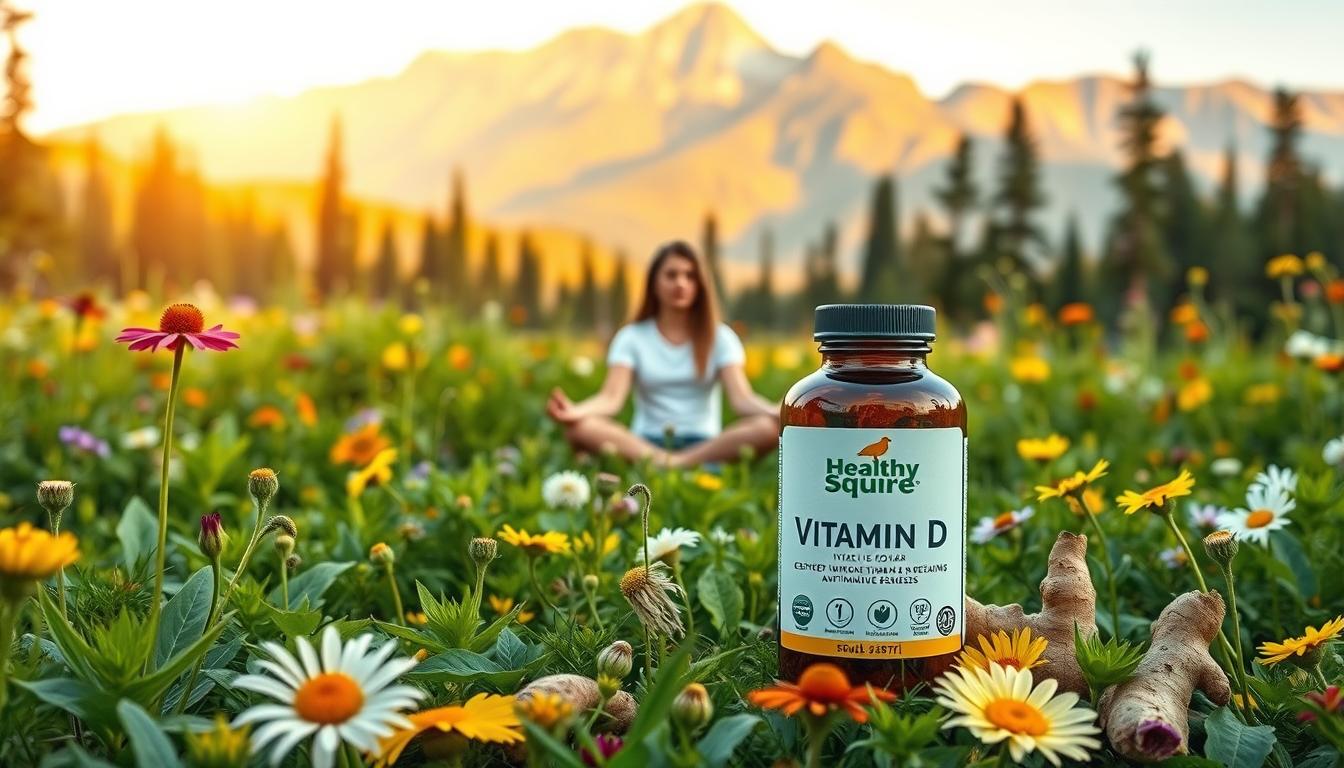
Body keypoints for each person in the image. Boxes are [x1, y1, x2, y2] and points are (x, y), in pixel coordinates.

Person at [546, 240, 778, 467]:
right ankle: (678, 464)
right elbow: (610, 399)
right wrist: (575, 412)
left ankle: (670, 465)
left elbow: (742, 400)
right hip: (643, 444)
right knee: (580, 428)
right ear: (654, 283)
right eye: (671, 275)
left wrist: (776, 411)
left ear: (700, 285)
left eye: (690, 276)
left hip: (706, 444)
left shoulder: (721, 337)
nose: (681, 283)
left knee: (769, 427)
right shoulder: (631, 337)